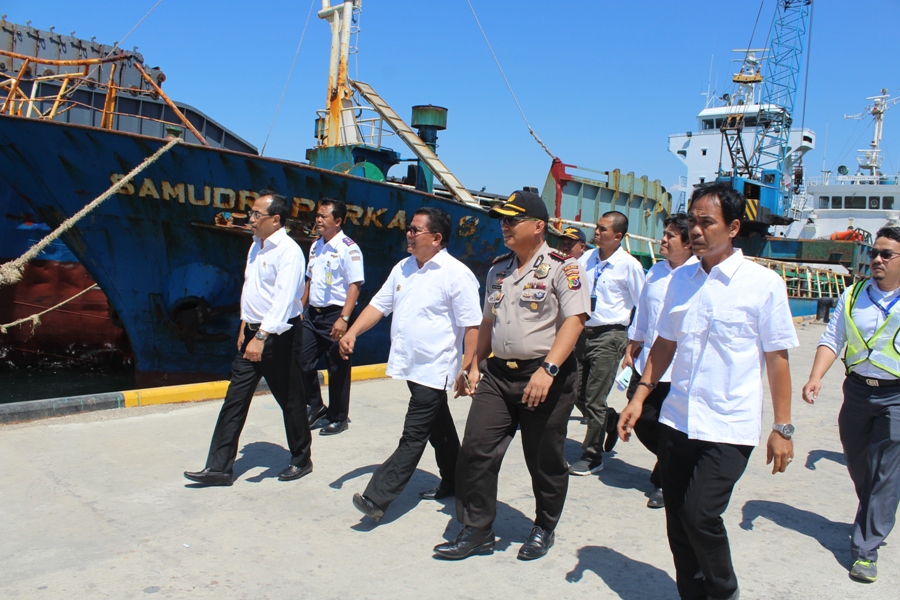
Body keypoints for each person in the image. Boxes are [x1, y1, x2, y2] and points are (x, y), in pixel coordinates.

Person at [618, 182, 797, 600]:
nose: (695, 230)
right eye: (693, 221)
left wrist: (782, 427)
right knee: (678, 522)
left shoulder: (763, 284)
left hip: (728, 425)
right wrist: (640, 397)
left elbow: (777, 359)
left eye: (706, 222)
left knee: (701, 516)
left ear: (733, 227)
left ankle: (723, 592)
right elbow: (664, 344)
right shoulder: (681, 280)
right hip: (678, 419)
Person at [433, 190, 590, 562]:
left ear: (538, 227)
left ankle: (544, 526)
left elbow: (575, 321)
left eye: (511, 220)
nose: (504, 226)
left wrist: (549, 369)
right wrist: (471, 363)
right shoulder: (498, 268)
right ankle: (477, 529)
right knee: (475, 450)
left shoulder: (563, 267)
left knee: (544, 458)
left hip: (545, 376)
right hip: (499, 376)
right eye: (502, 220)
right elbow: (488, 321)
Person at [340, 207, 481, 522]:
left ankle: (378, 497)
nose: (409, 233)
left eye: (416, 229)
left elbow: (473, 325)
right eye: (409, 228)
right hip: (409, 364)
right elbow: (379, 304)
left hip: (435, 366)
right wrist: (352, 332)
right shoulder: (403, 268)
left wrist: (468, 367)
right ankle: (457, 480)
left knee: (414, 433)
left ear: (436, 237)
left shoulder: (456, 274)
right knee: (438, 425)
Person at [184, 190, 312, 486]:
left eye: (256, 214)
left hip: (280, 336)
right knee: (235, 399)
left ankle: (301, 458)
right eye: (251, 213)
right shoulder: (255, 245)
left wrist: (262, 336)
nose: (250, 219)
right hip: (254, 331)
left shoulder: (289, 252)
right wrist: (245, 324)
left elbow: (283, 300)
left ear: (275, 220)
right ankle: (219, 467)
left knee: (290, 399)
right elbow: (251, 289)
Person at [802, 226, 900, 584]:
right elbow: (833, 338)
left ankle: (866, 549)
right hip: (857, 392)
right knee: (861, 465)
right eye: (875, 252)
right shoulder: (853, 294)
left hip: (897, 396)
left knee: (885, 472)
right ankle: (876, 508)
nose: (876, 259)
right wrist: (815, 377)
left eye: (886, 254)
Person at [620, 213, 695, 508]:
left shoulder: (697, 274)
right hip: (648, 359)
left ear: (688, 243)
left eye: (670, 236)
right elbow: (644, 312)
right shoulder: (656, 271)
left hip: (678, 366)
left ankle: (667, 479)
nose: (662, 240)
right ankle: (668, 463)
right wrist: (633, 344)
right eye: (664, 234)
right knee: (644, 419)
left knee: (671, 425)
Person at [569, 211, 644, 476]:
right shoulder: (587, 258)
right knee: (576, 392)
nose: (597, 232)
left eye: (603, 229)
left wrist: (632, 346)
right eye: (596, 227)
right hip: (582, 333)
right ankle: (609, 419)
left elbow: (642, 306)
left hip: (610, 336)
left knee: (594, 399)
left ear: (618, 236)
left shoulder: (629, 266)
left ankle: (592, 456)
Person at [297, 198, 364, 436]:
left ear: (338, 221)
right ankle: (315, 406)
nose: (317, 220)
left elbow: (355, 286)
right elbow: (309, 280)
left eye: (323, 216)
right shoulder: (316, 246)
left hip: (337, 315)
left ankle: (338, 417)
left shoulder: (349, 248)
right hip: (313, 315)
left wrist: (344, 319)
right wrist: (299, 310)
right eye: (317, 215)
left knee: (337, 369)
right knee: (301, 361)